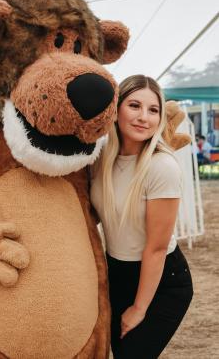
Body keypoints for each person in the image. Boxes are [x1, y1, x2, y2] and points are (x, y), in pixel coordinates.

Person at [90, 75, 193, 359]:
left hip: (161, 283)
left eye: (153, 110)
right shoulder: (100, 160)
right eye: (134, 105)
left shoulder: (161, 167)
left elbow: (156, 248)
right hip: (117, 274)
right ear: (116, 109)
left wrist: (139, 309)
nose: (144, 117)